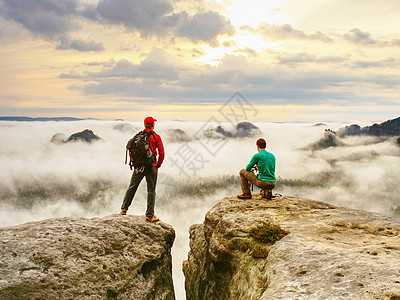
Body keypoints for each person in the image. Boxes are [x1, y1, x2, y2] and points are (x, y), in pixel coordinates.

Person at [120, 116, 165, 222]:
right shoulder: (155, 137)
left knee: (132, 186)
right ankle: (150, 216)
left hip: (139, 167)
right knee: (151, 190)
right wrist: (158, 164)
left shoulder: (138, 136)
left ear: (145, 124)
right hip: (151, 166)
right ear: (153, 125)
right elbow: (162, 153)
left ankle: (124, 209)